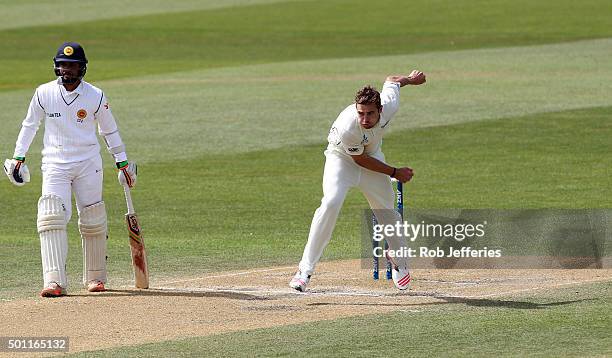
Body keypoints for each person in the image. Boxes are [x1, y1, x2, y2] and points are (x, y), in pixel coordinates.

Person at [3, 42, 137, 297]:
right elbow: (30, 125)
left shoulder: (95, 95)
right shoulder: (43, 93)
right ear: (56, 67)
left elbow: (109, 130)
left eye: (72, 65)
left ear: (82, 67)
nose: (67, 70)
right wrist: (18, 156)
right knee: (51, 216)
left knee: (92, 218)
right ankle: (54, 281)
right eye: (63, 65)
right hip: (54, 163)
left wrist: (122, 161)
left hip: (88, 163)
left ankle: (96, 277)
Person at [289, 70, 426, 292]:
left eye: (370, 114)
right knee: (330, 204)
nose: (364, 119)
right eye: (361, 113)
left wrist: (410, 80)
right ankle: (304, 271)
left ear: (380, 110)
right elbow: (359, 159)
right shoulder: (348, 127)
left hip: (372, 159)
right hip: (342, 160)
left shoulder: (389, 105)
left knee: (387, 211)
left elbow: (392, 81)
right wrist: (394, 171)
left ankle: (398, 261)